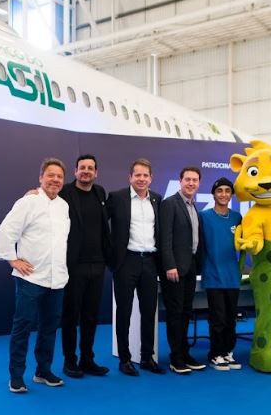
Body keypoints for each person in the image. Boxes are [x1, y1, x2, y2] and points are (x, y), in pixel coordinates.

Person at [0, 158, 71, 393]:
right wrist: (12, 259)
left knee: (49, 327)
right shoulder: (28, 202)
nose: (55, 180)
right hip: (30, 278)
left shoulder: (64, 206)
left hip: (57, 279)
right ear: (41, 177)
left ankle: (43, 371)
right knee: (22, 327)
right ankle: (16, 376)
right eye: (50, 175)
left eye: (59, 176)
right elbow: (6, 231)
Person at [106, 158, 166, 377]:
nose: (141, 179)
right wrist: (111, 257)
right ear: (130, 177)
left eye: (145, 175)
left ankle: (147, 357)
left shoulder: (157, 199)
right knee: (124, 312)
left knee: (149, 312)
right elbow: (100, 224)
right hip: (126, 262)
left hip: (150, 262)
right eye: (137, 175)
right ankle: (125, 359)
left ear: (151, 178)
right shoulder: (117, 197)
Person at [58, 154, 111, 378]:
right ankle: (70, 361)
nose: (86, 171)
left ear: (96, 172)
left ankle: (87, 359)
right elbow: (44, 197)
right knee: (71, 315)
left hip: (97, 265)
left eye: (90, 168)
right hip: (74, 265)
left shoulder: (100, 192)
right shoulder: (64, 193)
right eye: (82, 168)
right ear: (75, 171)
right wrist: (33, 193)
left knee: (90, 315)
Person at [160, 166, 206, 374]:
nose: (191, 183)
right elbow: (165, 237)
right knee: (175, 313)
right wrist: (169, 265)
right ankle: (176, 357)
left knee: (186, 312)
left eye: (195, 180)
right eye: (187, 179)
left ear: (199, 183)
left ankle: (185, 353)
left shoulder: (193, 206)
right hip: (175, 270)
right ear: (180, 181)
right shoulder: (170, 204)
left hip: (190, 268)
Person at [199, 177, 243, 370]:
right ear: (213, 194)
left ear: (231, 194)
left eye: (227, 191)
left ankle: (228, 352)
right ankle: (215, 354)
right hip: (213, 275)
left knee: (231, 318)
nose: (223, 194)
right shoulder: (204, 216)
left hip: (232, 276)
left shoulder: (237, 217)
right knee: (218, 319)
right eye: (219, 191)